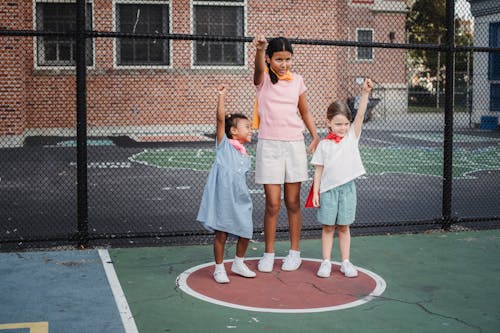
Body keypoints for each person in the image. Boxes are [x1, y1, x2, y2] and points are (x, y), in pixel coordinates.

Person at [253, 35, 319, 272]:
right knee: (272, 204)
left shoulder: (297, 81)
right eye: (279, 59)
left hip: (294, 146)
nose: (284, 63)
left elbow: (305, 111)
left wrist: (315, 135)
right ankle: (268, 253)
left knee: (292, 202)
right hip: (269, 146)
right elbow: (257, 69)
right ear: (270, 59)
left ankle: (294, 252)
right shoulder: (263, 81)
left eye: (288, 59)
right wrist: (260, 50)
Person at [310, 78, 373, 278]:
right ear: (328, 123)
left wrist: (364, 94)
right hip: (328, 191)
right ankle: (326, 262)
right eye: (338, 124)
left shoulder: (352, 137)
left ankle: (345, 262)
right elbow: (318, 170)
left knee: (344, 228)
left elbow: (361, 115)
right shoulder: (323, 145)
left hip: (347, 189)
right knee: (328, 228)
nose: (343, 128)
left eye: (346, 123)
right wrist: (317, 192)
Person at [196, 85, 256, 284]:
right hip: (223, 198)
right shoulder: (223, 146)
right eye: (247, 127)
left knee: (246, 230)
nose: (251, 130)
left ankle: (239, 263)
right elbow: (220, 119)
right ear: (233, 131)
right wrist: (221, 96)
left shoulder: (244, 153)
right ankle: (219, 268)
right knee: (222, 233)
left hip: (240, 198)